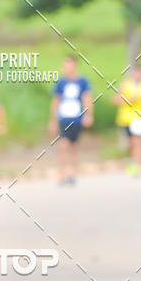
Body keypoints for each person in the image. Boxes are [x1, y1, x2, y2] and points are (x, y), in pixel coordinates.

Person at [49, 56, 93, 185]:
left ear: (74, 66)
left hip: (77, 118)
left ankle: (72, 173)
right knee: (63, 145)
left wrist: (88, 115)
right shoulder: (60, 82)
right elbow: (56, 100)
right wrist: (53, 119)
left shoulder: (82, 81)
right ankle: (62, 173)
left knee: (74, 146)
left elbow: (87, 98)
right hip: (64, 117)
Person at [112, 65, 141, 176]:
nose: (139, 75)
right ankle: (132, 160)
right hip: (125, 118)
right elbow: (115, 100)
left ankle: (137, 165)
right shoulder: (125, 84)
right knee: (130, 143)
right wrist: (128, 100)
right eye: (137, 72)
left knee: (137, 141)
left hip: (139, 117)